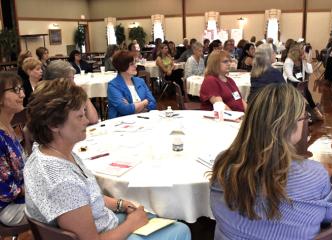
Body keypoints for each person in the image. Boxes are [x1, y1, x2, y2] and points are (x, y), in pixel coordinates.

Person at [24, 79, 190, 240]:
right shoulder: (62, 182)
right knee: (180, 229)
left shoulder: (43, 151)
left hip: (103, 221)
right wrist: (131, 224)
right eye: (80, 116)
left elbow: (84, 197)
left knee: (149, 211)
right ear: (54, 125)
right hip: (106, 232)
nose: (87, 121)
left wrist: (120, 204)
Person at [210, 84, 332, 240]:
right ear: (290, 124)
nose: (306, 122)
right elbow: (328, 217)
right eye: (304, 117)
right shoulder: (316, 175)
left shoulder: (224, 165)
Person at [0, 72, 26, 226]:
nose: (22, 94)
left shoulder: (8, 126)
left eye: (21, 89)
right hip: (9, 208)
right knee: (66, 205)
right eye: (15, 90)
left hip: (23, 196)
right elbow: (5, 191)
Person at [44, 60, 99, 125]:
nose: (74, 83)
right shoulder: (50, 102)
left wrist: (84, 96)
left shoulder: (69, 94)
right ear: (60, 81)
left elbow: (93, 119)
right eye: (71, 79)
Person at [108, 50, 156, 118]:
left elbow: (153, 103)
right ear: (122, 66)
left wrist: (132, 107)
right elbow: (125, 109)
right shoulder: (113, 86)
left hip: (143, 121)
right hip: (121, 124)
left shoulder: (140, 81)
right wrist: (145, 102)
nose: (136, 66)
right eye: (132, 64)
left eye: (135, 63)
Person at [283, 44, 324, 121]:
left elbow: (310, 71)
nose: (304, 54)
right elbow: (289, 76)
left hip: (299, 82)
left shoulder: (302, 60)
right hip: (289, 82)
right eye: (302, 53)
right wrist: (299, 82)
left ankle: (311, 110)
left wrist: (307, 62)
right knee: (304, 90)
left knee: (305, 90)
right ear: (296, 53)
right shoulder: (289, 61)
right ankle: (313, 110)